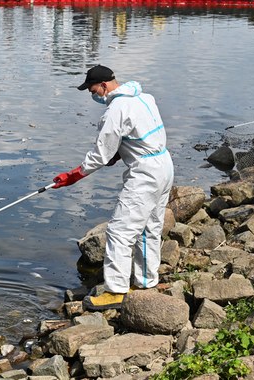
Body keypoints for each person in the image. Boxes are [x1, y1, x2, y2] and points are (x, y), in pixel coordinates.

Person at [52, 65, 174, 311]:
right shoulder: (144, 97)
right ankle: (146, 282)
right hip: (164, 165)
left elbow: (100, 155)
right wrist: (119, 153)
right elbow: (138, 135)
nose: (92, 95)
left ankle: (116, 291)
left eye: (92, 89)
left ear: (104, 86)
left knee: (120, 231)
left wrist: (74, 175)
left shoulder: (115, 110)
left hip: (145, 174)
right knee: (149, 228)